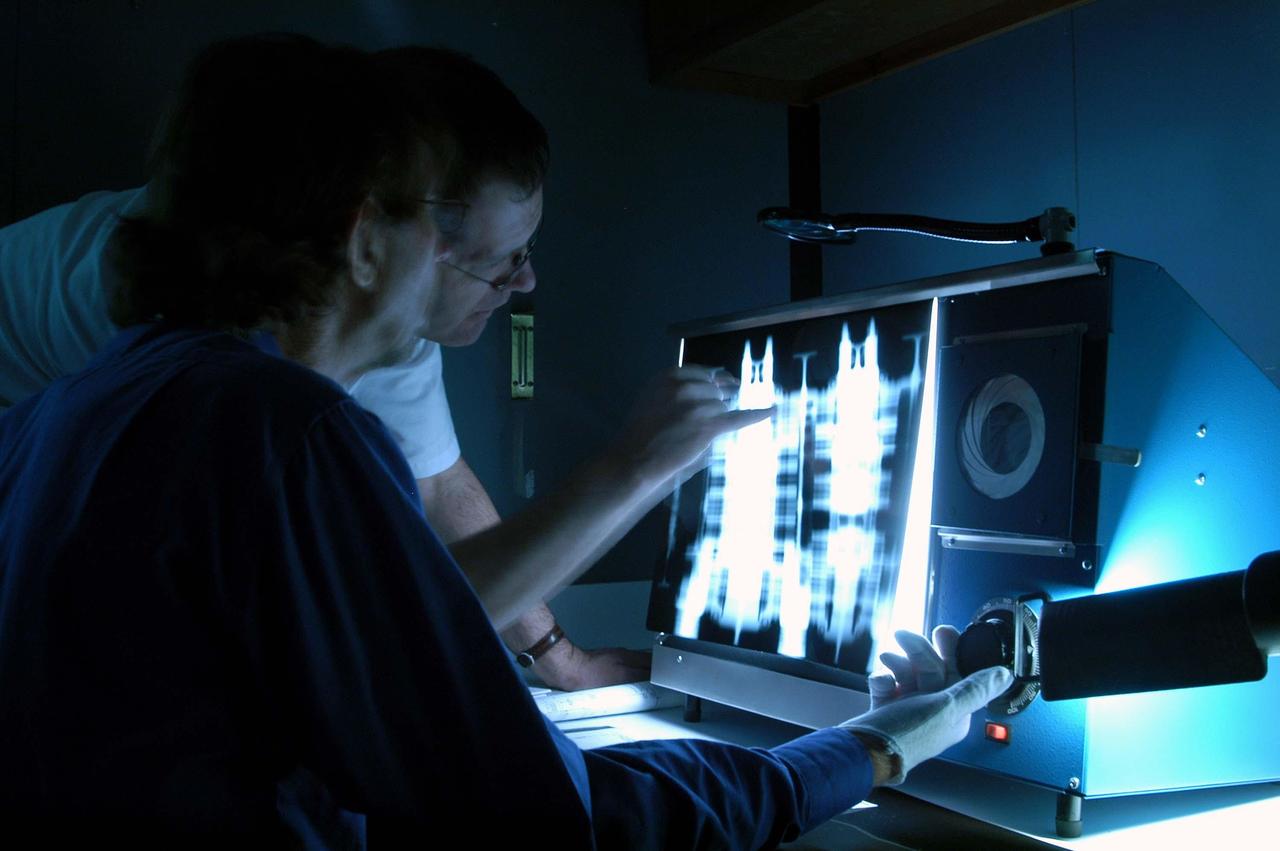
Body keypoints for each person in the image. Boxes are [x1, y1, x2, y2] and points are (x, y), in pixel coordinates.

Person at [0, 35, 1013, 846]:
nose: (495, 271)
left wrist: (555, 650)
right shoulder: (286, 430)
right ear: (364, 237)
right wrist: (869, 749)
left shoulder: (73, 412)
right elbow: (545, 815)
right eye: (434, 223)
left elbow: (404, 623)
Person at [0, 48, 644, 694]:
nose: (524, 280)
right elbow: (376, 626)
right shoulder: (214, 365)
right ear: (379, 237)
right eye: (497, 259)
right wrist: (640, 465)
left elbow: (442, 486)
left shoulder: (375, 310)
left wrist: (559, 657)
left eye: (525, 251)